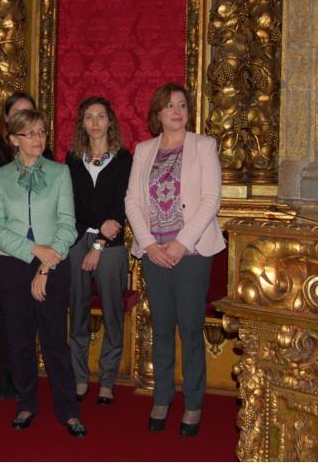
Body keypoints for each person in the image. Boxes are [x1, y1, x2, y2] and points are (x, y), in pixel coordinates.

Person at [124, 83, 225, 437]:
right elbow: (132, 202)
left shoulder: (203, 146)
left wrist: (181, 244)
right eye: (170, 106)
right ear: (158, 113)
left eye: (182, 105)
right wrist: (149, 244)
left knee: (191, 329)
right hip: (154, 253)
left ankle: (194, 403)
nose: (177, 111)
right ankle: (163, 397)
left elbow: (211, 198)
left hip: (192, 253)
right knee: (162, 327)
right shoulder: (143, 149)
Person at [0, 109, 86, 437]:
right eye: (30, 133)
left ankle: (68, 410)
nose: (38, 139)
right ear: (14, 139)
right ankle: (26, 402)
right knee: (20, 340)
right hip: (12, 265)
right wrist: (32, 250)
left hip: (54, 264)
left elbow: (68, 224)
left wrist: (46, 262)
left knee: (56, 341)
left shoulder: (59, 173)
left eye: (42, 132)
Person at [0, 91, 53, 400]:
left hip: (38, 249)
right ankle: (6, 374)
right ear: (6, 121)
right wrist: (16, 240)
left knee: (29, 314)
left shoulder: (47, 155)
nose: (24, 120)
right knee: (2, 315)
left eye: (30, 114)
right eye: (18, 114)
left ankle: (25, 374)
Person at [66, 96, 132, 405]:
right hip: (78, 241)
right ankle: (79, 377)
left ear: (110, 122)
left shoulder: (123, 159)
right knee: (77, 310)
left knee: (112, 312)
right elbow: (73, 207)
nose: (95, 121)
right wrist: (95, 230)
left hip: (113, 245)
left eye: (100, 116)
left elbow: (119, 206)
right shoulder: (71, 159)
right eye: (89, 116)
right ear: (82, 123)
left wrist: (101, 243)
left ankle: (107, 379)